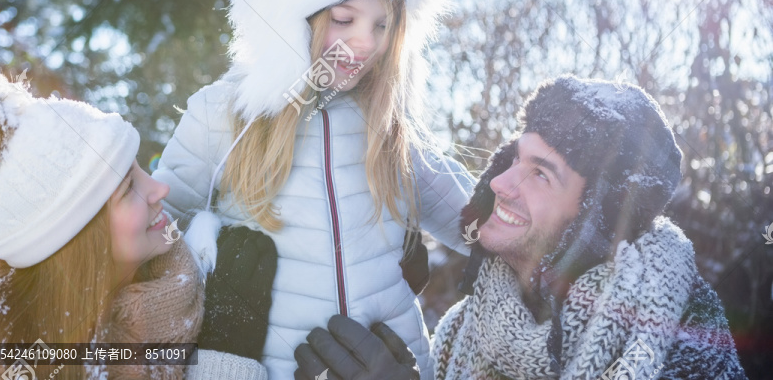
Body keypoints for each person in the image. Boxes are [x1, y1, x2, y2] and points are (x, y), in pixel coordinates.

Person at [153, 0, 475, 380]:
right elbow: (152, 228)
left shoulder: (388, 127)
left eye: (382, 25)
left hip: (389, 364)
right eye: (345, 20)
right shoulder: (225, 113)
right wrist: (202, 289)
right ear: (293, 16)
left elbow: (480, 225)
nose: (366, 44)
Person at [294, 76, 748, 380]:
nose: (500, 183)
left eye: (541, 174)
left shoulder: (680, 331)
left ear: (594, 220)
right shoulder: (467, 325)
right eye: (515, 158)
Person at [0, 72, 277, 380]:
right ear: (78, 240)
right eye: (128, 189)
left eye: (139, 169)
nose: (159, 188)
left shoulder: (184, 285)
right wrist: (223, 365)